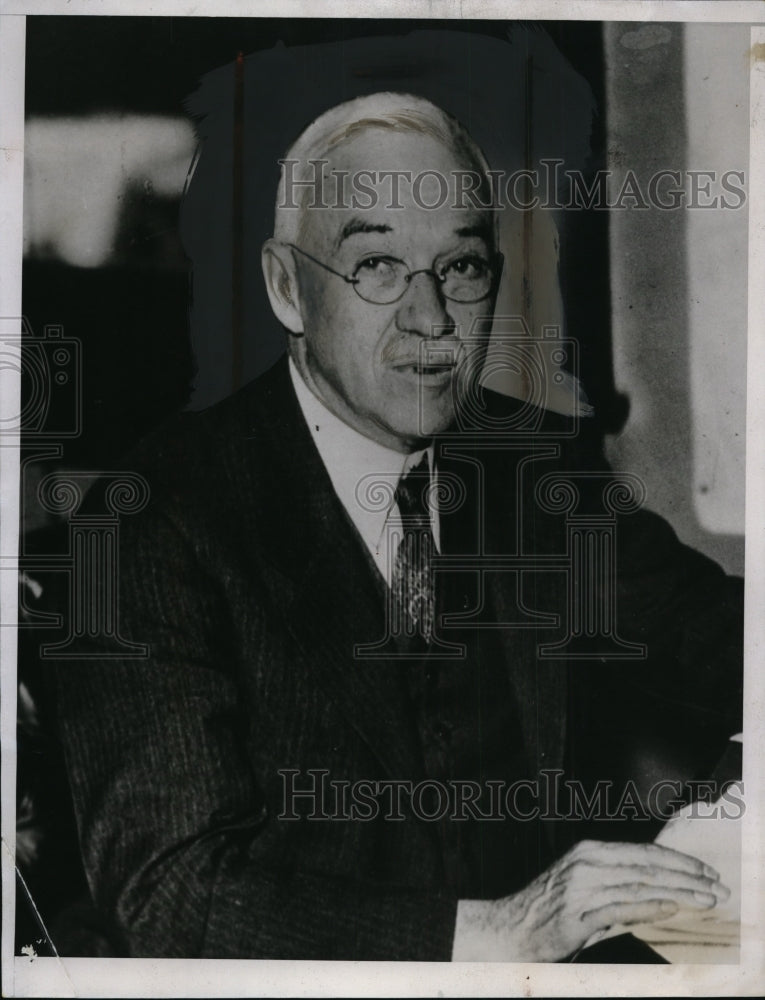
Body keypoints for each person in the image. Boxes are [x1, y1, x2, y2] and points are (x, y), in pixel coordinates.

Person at [50, 92, 742, 961]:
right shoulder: (151, 518)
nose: (430, 318)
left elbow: (724, 640)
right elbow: (170, 890)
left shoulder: (532, 465)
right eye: (376, 265)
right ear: (285, 286)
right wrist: (493, 936)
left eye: (460, 268)